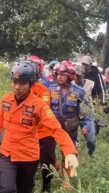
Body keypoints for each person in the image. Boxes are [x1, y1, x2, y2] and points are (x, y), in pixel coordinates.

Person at [0, 62, 78, 193]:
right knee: (6, 189)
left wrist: (69, 152)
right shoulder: (6, 99)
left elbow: (56, 129)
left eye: (22, 83)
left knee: (25, 189)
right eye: (14, 82)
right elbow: (0, 120)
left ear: (31, 84)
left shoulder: (39, 105)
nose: (17, 87)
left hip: (28, 156)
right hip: (8, 153)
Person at [24, 60, 77, 193]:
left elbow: (42, 108)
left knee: (51, 161)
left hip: (53, 130)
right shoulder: (17, 92)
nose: (59, 77)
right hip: (32, 133)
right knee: (31, 163)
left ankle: (52, 186)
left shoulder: (44, 90)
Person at [49, 61, 96, 158]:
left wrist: (87, 126)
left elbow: (88, 111)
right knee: (49, 153)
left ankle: (67, 171)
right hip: (53, 127)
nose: (59, 77)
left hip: (70, 128)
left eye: (63, 75)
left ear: (70, 76)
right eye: (58, 74)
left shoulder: (79, 91)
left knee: (69, 154)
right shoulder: (51, 89)